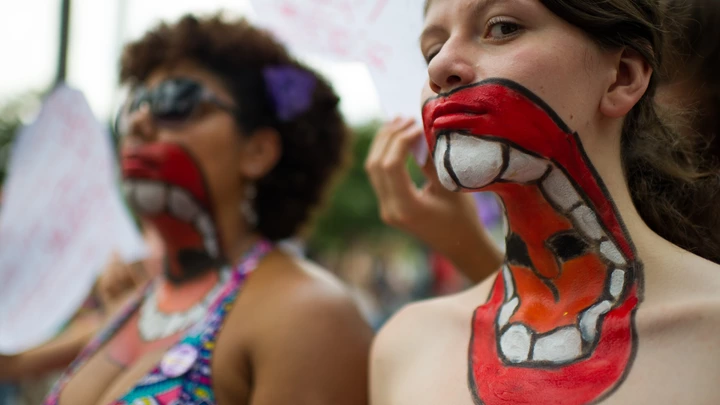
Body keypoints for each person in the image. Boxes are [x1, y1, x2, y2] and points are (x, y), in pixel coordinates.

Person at [370, 1, 720, 404]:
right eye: (432, 49)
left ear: (622, 77)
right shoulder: (404, 348)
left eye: (501, 28)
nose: (438, 68)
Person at [43, 14, 371, 405]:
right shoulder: (139, 304)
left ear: (257, 152)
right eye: (133, 106)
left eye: (176, 102)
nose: (140, 122)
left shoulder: (307, 315)